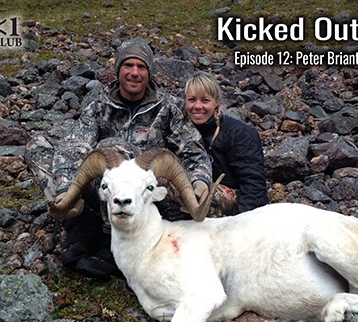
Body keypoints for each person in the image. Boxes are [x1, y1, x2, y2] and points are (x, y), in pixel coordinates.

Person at [25, 39, 212, 279]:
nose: (135, 72)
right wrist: (65, 190)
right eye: (128, 65)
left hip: (144, 196)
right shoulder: (99, 106)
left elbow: (193, 151)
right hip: (104, 188)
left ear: (149, 72)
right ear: (117, 70)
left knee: (111, 150)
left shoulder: (168, 108)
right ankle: (81, 225)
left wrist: (199, 180)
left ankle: (110, 244)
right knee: (39, 146)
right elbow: (74, 147)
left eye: (141, 67)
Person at [184, 71, 268, 216]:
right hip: (194, 197)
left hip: (237, 211)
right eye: (192, 100)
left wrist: (236, 223)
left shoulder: (240, 134)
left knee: (201, 193)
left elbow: (254, 186)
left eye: (205, 100)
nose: (197, 106)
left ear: (216, 102)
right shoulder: (178, 133)